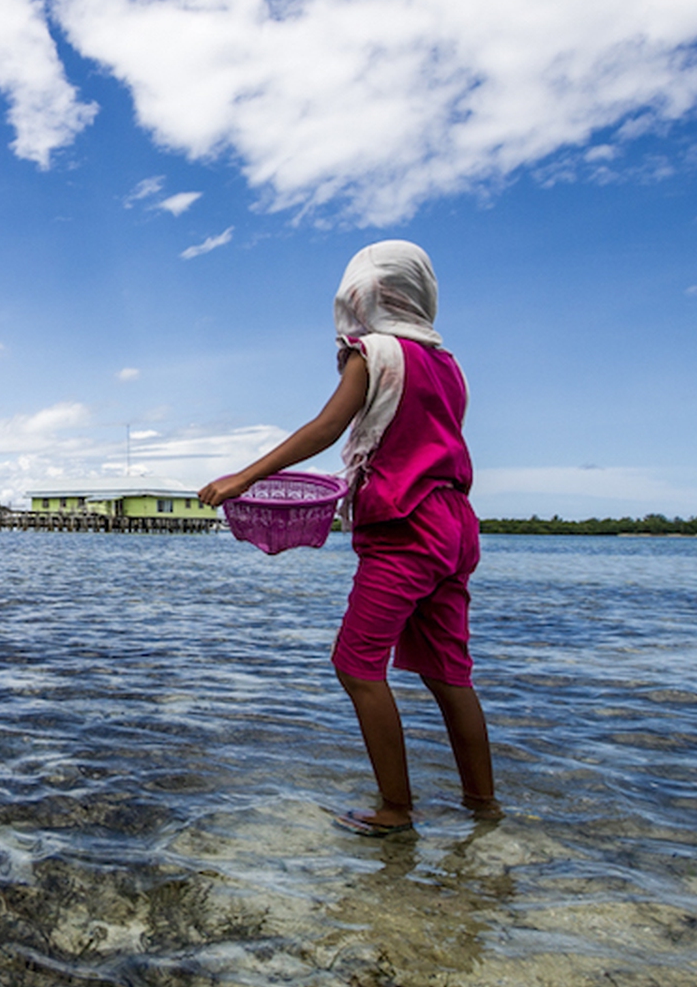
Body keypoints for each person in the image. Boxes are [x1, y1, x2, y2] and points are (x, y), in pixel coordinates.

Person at [199, 240, 498, 836]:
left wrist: (244, 476)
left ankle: (396, 810)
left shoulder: (373, 352)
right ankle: (483, 807)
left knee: (357, 665)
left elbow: (328, 427)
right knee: (449, 674)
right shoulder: (448, 364)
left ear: (362, 298)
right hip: (454, 526)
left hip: (404, 525)